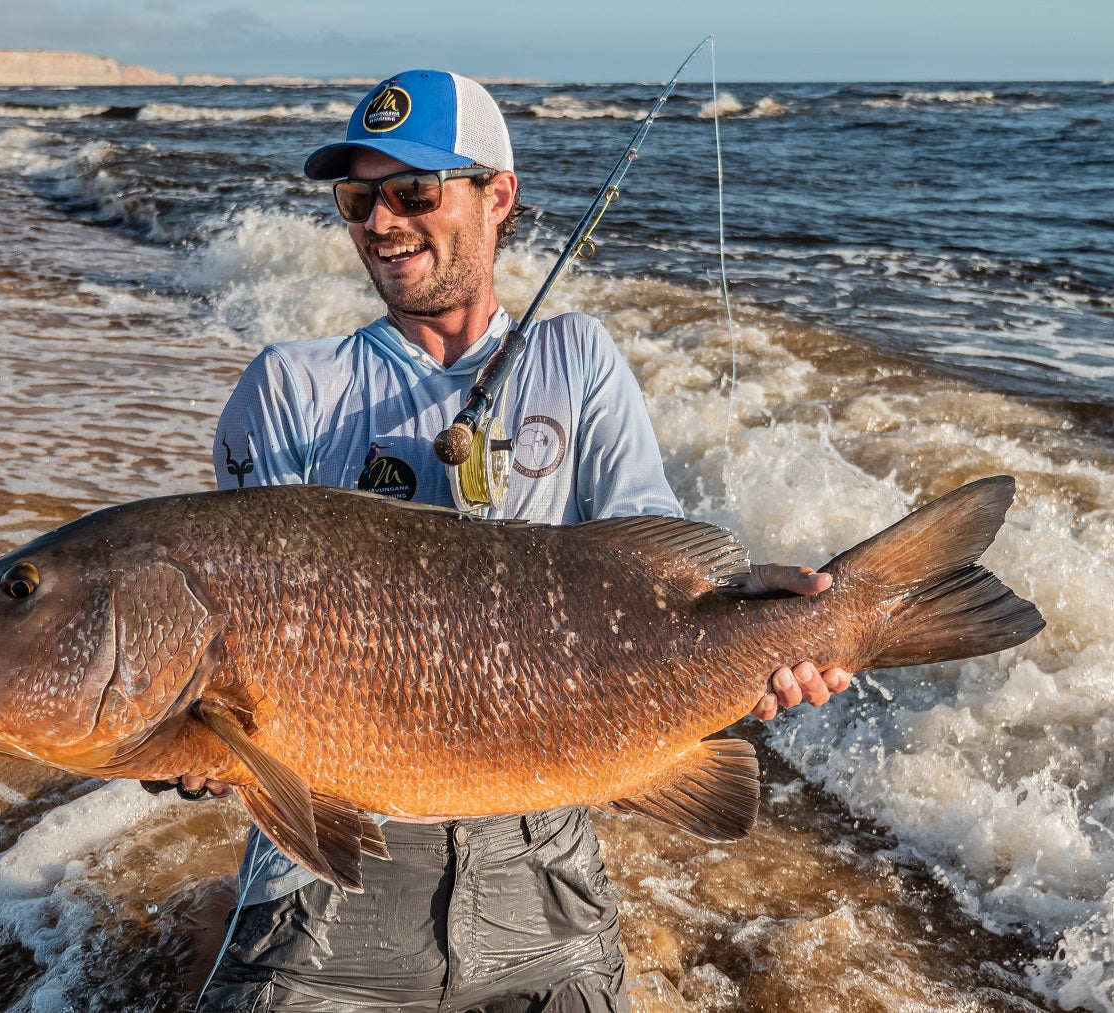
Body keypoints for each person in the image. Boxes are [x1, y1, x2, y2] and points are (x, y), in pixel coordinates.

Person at [184, 69, 851, 1012]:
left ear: (498, 196)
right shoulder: (289, 388)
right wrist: (193, 742)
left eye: (414, 192)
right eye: (356, 198)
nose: (380, 222)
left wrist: (773, 634)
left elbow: (661, 577)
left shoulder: (578, 361)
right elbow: (237, 650)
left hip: (546, 879)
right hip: (329, 880)